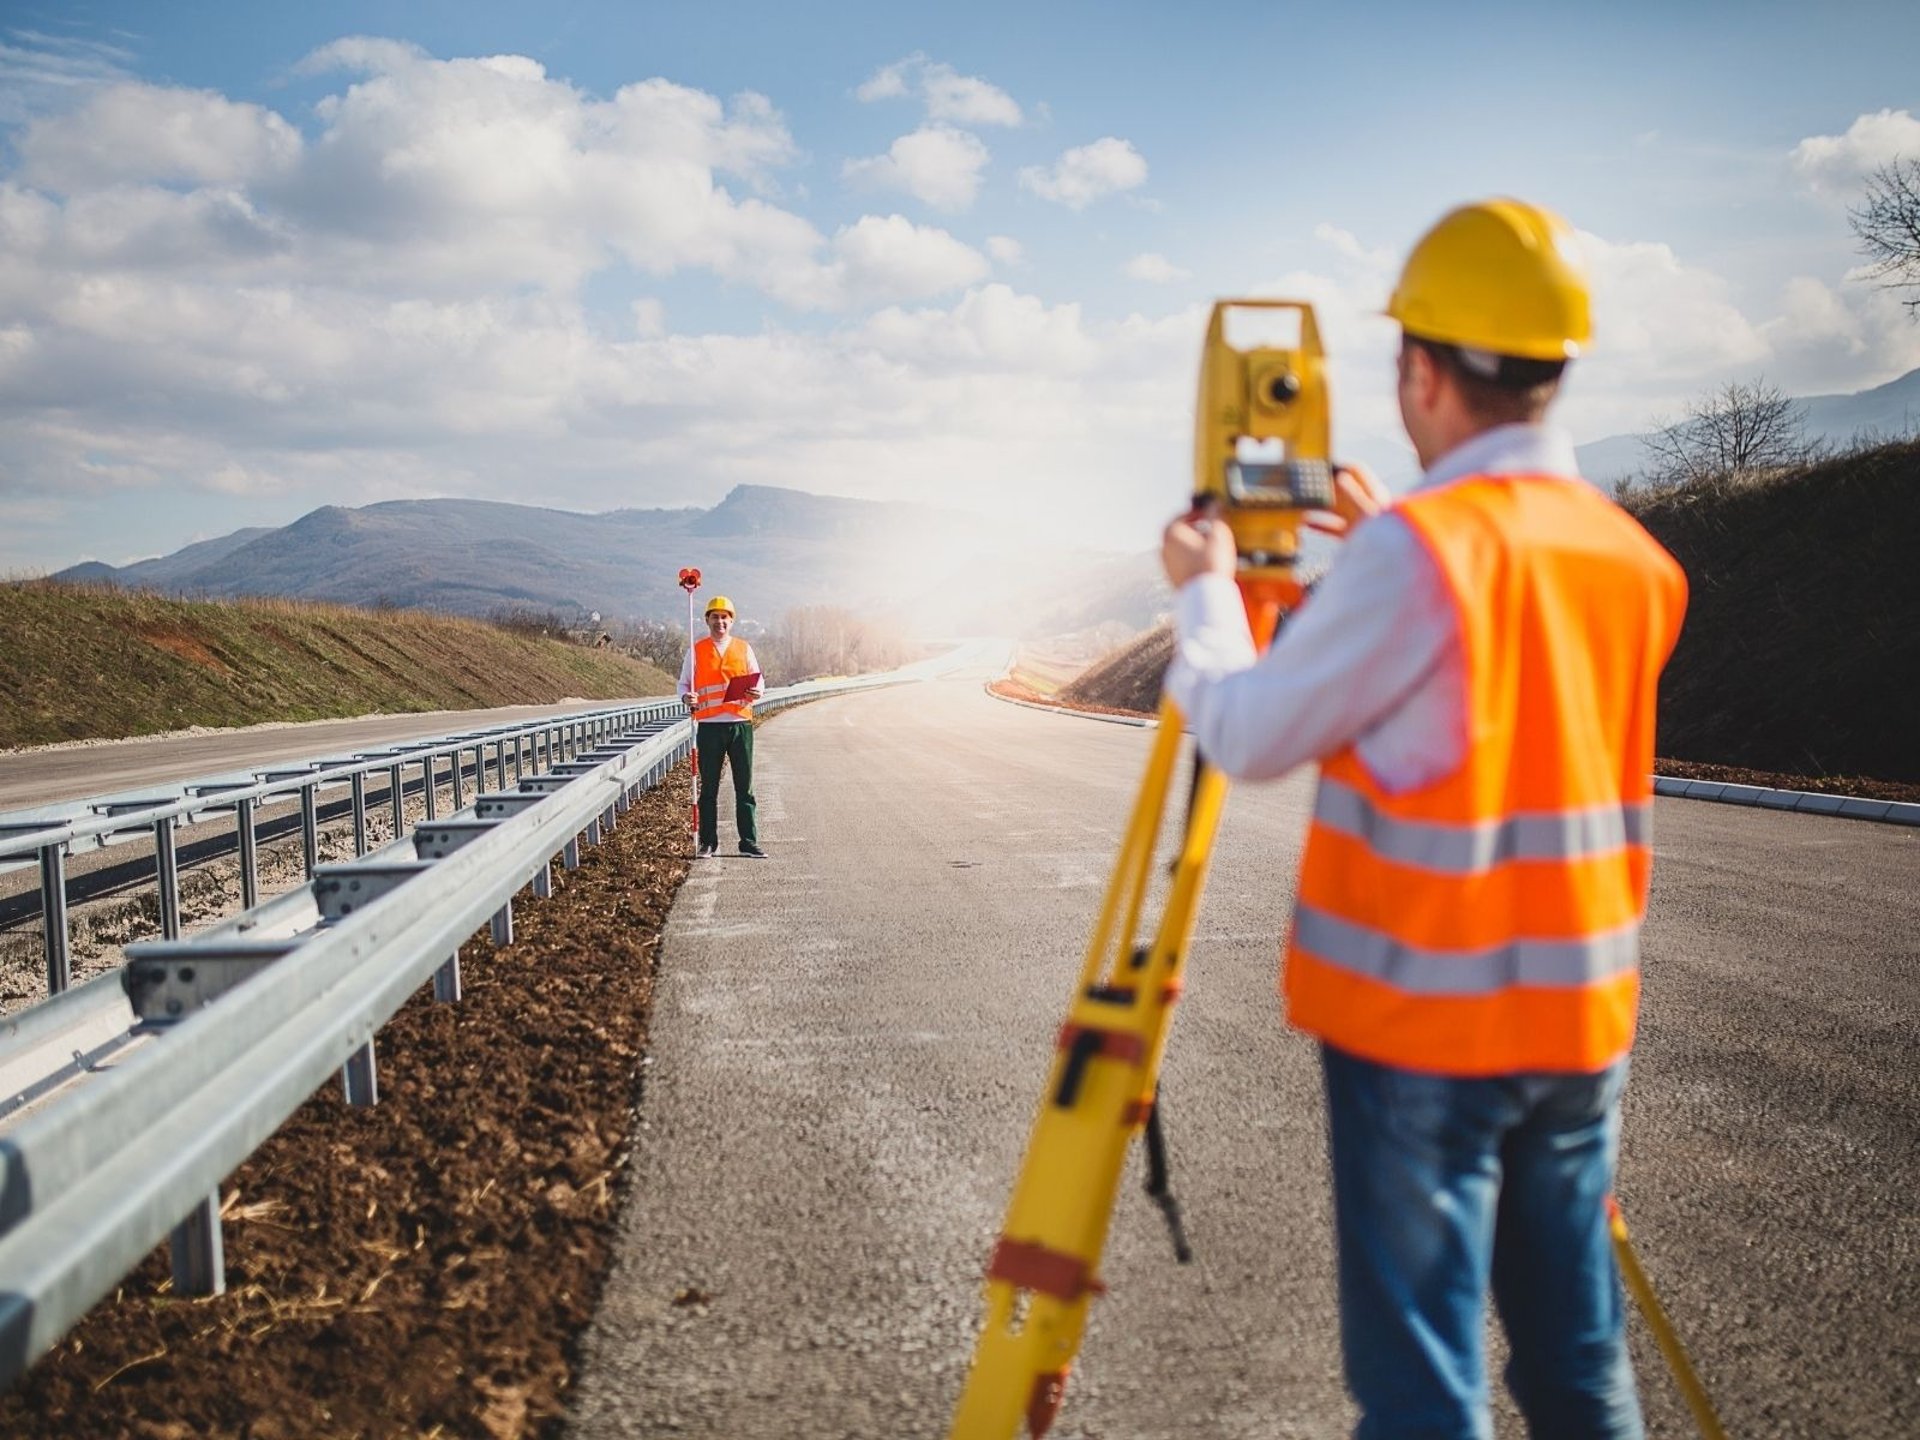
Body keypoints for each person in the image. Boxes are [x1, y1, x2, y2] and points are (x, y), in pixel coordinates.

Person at [1161, 199, 1688, 1439]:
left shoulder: (1419, 554)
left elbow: (1250, 731)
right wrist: (1392, 528)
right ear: (1554, 371)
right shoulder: (1629, 557)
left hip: (1426, 1034)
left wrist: (1206, 595)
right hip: (1577, 1026)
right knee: (1578, 1368)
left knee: (1423, 1392)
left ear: (1421, 371)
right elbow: (1494, 665)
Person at [678, 594, 768, 859]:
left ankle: (748, 842)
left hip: (740, 724)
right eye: (715, 617)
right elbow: (683, 684)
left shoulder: (744, 648)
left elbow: (759, 681)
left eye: (725, 617)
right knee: (709, 789)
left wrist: (757, 692)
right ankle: (708, 842)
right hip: (709, 726)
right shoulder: (696, 650)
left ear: (732, 621)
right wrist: (686, 697)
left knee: (745, 787)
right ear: (707, 620)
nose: (720, 622)